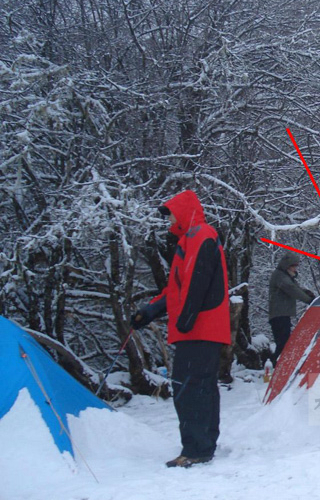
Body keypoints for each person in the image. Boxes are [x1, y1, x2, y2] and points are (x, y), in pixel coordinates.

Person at [131, 189, 230, 469]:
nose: (169, 218)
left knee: (189, 388)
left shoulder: (200, 235)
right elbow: (176, 289)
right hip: (203, 327)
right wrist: (149, 312)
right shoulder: (191, 238)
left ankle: (196, 449)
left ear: (184, 210)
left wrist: (184, 322)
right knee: (201, 387)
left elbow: (197, 281)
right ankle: (203, 445)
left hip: (198, 328)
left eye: (171, 212)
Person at [267, 252, 314, 366]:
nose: (295, 268)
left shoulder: (285, 276)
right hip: (279, 315)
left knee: (283, 342)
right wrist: (309, 300)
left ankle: (275, 363)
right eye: (294, 266)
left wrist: (307, 293)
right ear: (287, 265)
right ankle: (274, 363)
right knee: (283, 342)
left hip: (282, 314)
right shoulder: (280, 276)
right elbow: (292, 289)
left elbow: (296, 287)